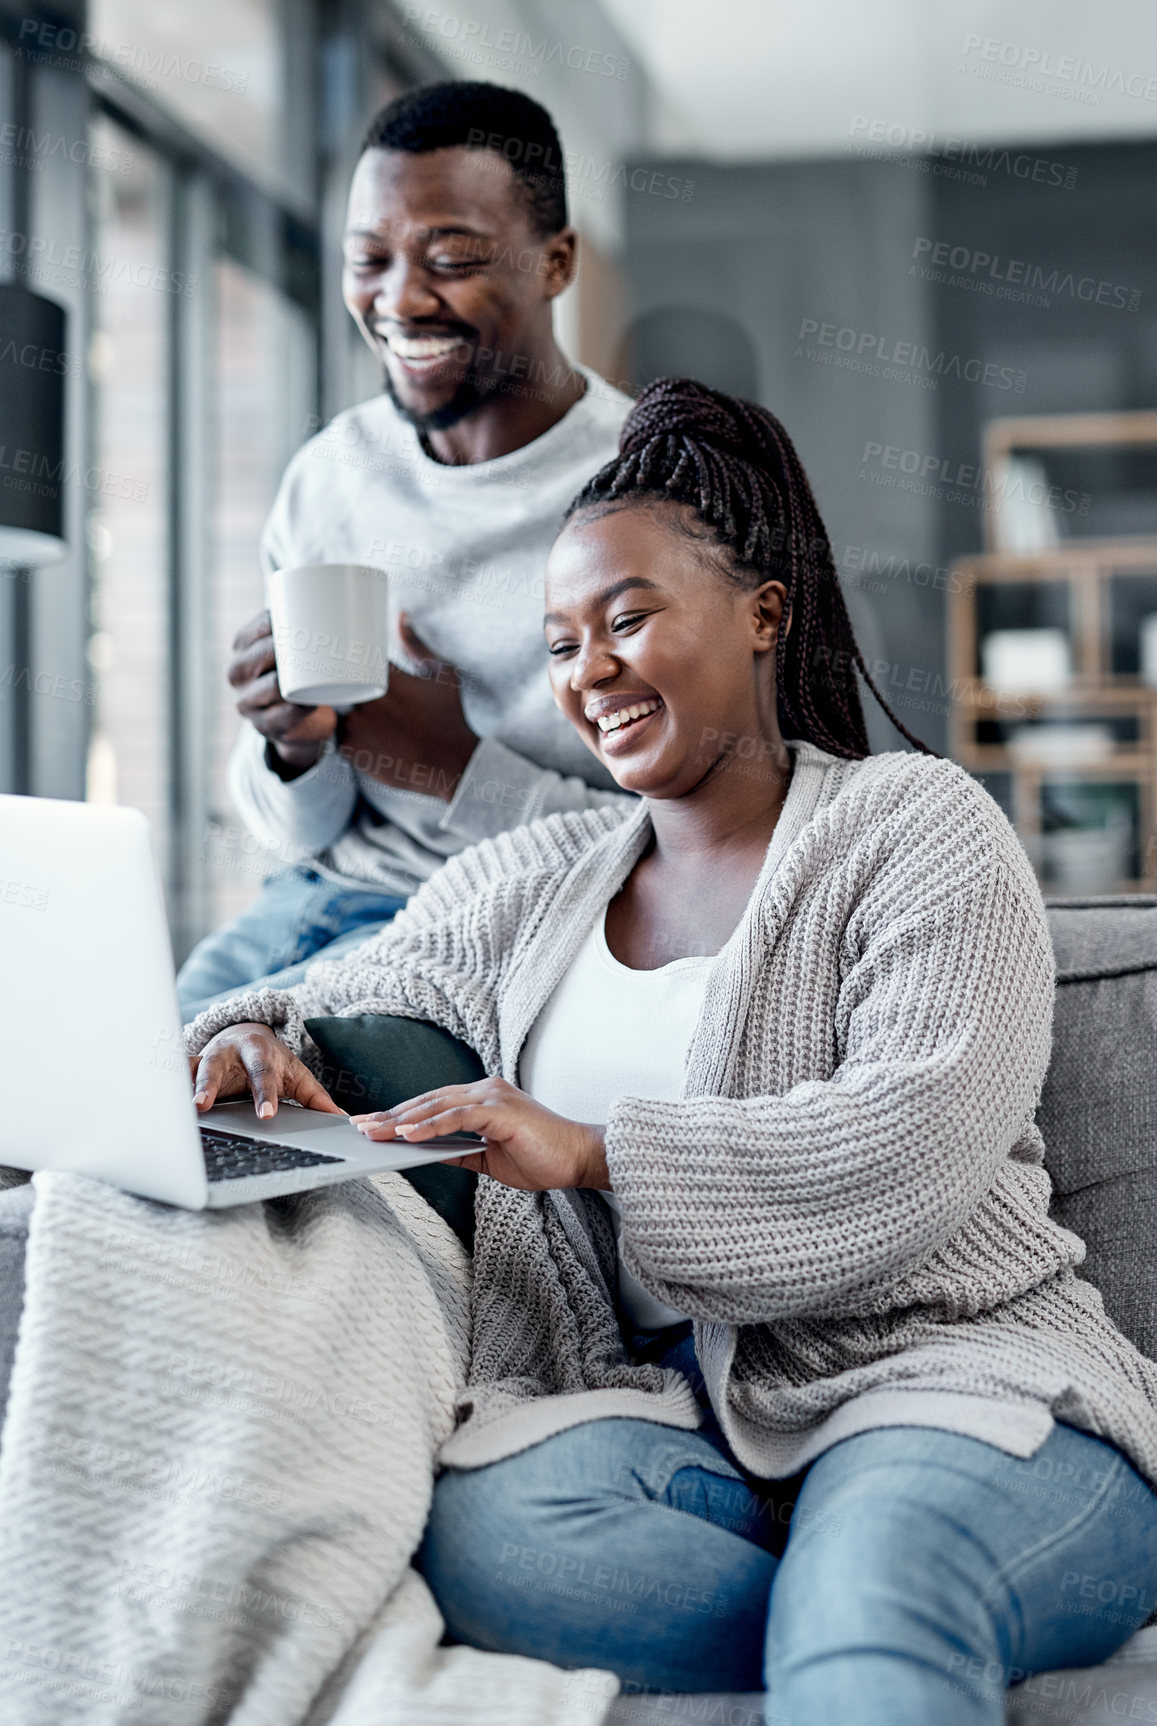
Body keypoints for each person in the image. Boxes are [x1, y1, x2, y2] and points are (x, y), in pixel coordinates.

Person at [185, 378, 1157, 1723]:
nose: (587, 669)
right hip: (677, 1419)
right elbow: (338, 992)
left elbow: (911, 1140)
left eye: (628, 617)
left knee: (881, 1567)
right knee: (499, 1539)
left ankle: (880, 1598)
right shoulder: (532, 879)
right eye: (561, 640)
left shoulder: (916, 827)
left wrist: (589, 1152)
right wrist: (245, 1033)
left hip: (951, 1375)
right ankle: (862, 1620)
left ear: (764, 614)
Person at [176, 80, 633, 1023]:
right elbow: (294, 836)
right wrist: (293, 752)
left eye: (452, 257)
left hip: (492, 929)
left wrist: (458, 766)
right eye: (367, 259)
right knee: (84, 1097)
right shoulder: (329, 475)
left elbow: (708, 839)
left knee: (223, 1113)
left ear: (556, 263)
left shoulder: (648, 489)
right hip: (304, 909)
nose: (400, 300)